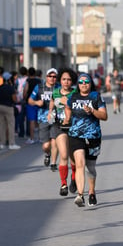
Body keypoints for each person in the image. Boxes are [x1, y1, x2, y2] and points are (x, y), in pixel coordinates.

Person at [63, 73, 108, 207]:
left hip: (93, 136)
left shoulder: (96, 96)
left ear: (90, 83)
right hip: (76, 135)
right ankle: (80, 195)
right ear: (78, 84)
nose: (84, 84)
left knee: (91, 168)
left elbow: (104, 116)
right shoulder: (73, 96)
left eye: (86, 82)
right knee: (80, 163)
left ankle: (92, 191)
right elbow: (67, 106)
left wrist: (92, 111)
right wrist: (67, 117)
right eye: (81, 82)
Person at [48, 68, 78, 196]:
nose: (66, 82)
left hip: (74, 127)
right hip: (59, 127)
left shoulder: (76, 92)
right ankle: (63, 184)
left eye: (69, 79)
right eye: (64, 79)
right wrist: (50, 114)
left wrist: (69, 103)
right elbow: (51, 108)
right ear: (60, 80)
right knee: (64, 155)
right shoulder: (55, 93)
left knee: (74, 159)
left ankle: (74, 178)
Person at [28, 68, 59, 170]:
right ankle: (48, 154)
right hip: (43, 118)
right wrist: (37, 103)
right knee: (46, 145)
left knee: (55, 141)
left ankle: (53, 163)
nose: (52, 78)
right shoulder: (39, 87)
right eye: (50, 76)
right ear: (46, 77)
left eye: (54, 77)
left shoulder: (59, 87)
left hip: (56, 118)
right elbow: (30, 100)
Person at [0, 72, 21, 150]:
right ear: (9, 80)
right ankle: (11, 143)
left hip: (0, 106)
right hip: (9, 107)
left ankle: (2, 143)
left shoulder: (0, 87)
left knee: (2, 125)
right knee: (11, 125)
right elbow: (14, 98)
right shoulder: (11, 88)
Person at [24, 67, 42, 144]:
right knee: (38, 120)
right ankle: (40, 138)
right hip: (39, 101)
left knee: (31, 121)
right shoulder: (39, 81)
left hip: (30, 102)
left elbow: (25, 91)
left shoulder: (28, 81)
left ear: (28, 73)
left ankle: (32, 138)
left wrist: (25, 98)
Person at [15, 67, 28, 138]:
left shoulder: (18, 80)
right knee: (28, 117)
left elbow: (15, 88)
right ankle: (28, 132)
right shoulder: (28, 79)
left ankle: (21, 133)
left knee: (20, 116)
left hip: (19, 99)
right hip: (27, 99)